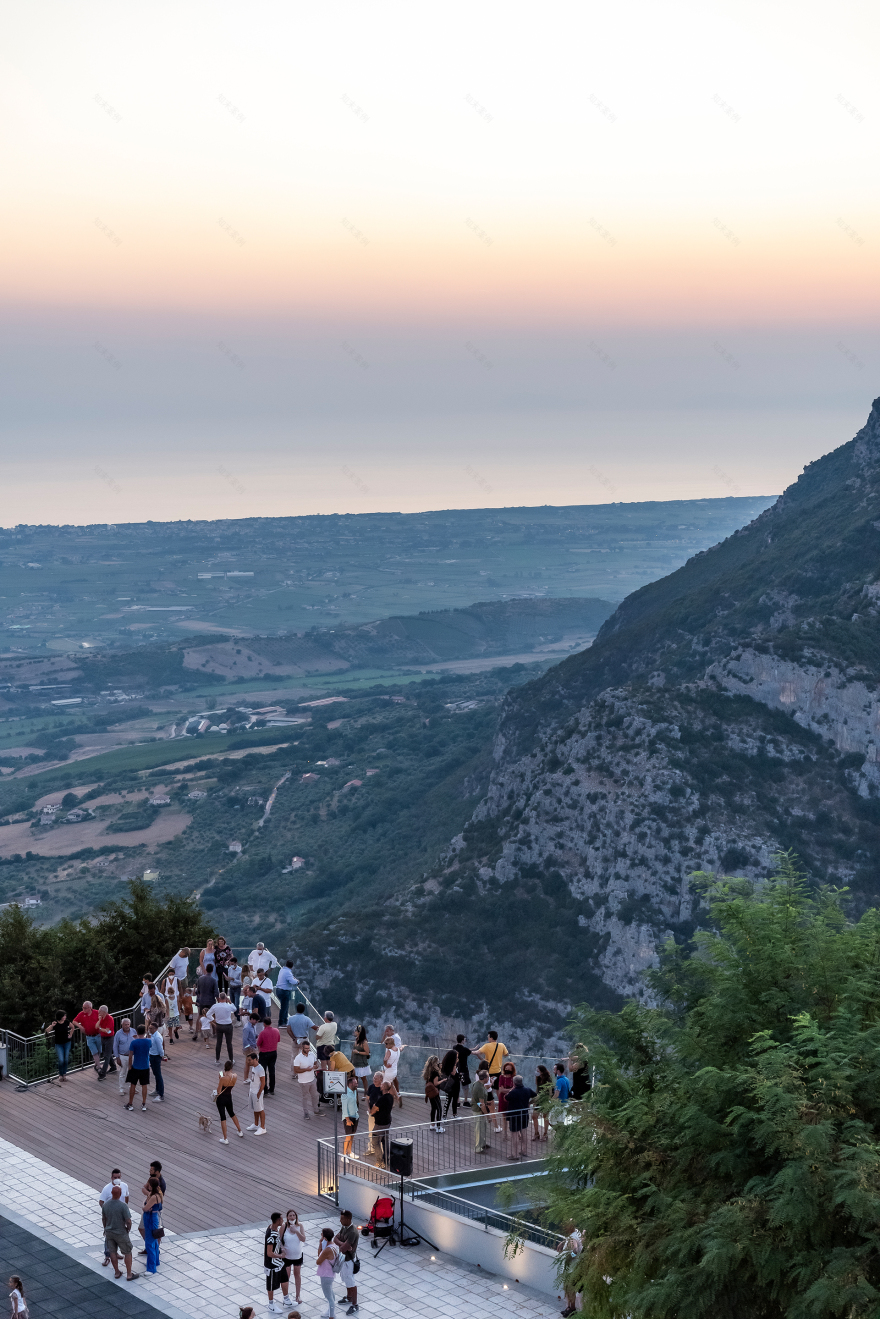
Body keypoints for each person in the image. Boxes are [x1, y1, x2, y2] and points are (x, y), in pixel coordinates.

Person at [102, 1185, 137, 1281]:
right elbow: (128, 1220)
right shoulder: (123, 1206)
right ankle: (129, 1274)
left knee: (112, 1252)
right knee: (127, 1252)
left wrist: (105, 1229)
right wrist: (128, 1229)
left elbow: (104, 1219)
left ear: (111, 1193)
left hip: (109, 1232)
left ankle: (117, 1272)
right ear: (120, 1194)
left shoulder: (105, 1205)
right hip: (121, 1232)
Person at [98, 1171, 129, 1269]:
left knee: (119, 1235)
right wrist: (107, 1211)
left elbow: (126, 1198)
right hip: (110, 1217)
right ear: (111, 1177)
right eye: (115, 1177)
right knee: (109, 1236)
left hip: (121, 1216)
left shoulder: (124, 1186)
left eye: (118, 1177)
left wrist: (125, 1209)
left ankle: (115, 1253)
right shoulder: (107, 1189)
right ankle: (107, 1256)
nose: (117, 1179)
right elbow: (101, 1201)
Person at [504, 1073, 536, 1160]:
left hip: (514, 1116)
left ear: (514, 1083)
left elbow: (506, 1098)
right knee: (524, 1132)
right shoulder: (528, 1090)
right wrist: (530, 1102)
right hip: (524, 1114)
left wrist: (511, 1090)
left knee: (514, 1135)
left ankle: (515, 1154)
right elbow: (537, 1096)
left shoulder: (513, 1092)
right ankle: (524, 1150)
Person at [333, 1210, 359, 1315]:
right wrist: (343, 1243)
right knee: (346, 1279)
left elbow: (343, 1248)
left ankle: (354, 1305)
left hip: (349, 1261)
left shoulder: (352, 1231)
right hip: (344, 1259)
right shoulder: (345, 1227)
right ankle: (349, 1298)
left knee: (351, 1282)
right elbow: (335, 1238)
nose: (340, 1220)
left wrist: (342, 1245)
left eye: (342, 1219)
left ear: (348, 1219)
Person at [264, 1212, 291, 1313]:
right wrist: (281, 1255)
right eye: (281, 1219)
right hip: (272, 1265)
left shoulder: (273, 1229)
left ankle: (287, 1299)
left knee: (285, 1279)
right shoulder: (271, 1235)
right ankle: (271, 1304)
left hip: (280, 1263)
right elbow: (269, 1253)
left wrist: (282, 1249)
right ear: (278, 1220)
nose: (283, 1220)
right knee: (271, 1285)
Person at [558, 1220, 583, 1317]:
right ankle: (570, 1308)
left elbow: (575, 1250)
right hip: (576, 1267)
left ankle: (571, 1309)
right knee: (569, 1288)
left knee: (569, 1288)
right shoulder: (577, 1233)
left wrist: (569, 1257)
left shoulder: (573, 1237)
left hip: (571, 1267)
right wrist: (563, 1242)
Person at [215, 1059, 244, 1141]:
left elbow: (218, 1091)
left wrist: (220, 1078)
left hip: (221, 1098)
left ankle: (225, 1138)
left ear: (224, 1068)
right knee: (232, 1113)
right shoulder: (235, 1076)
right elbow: (230, 1077)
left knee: (223, 1117)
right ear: (231, 1068)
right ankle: (240, 1130)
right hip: (229, 1097)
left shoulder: (222, 1079)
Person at [280, 1210, 305, 1305]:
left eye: (294, 1215)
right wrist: (282, 1249)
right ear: (287, 1217)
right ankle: (286, 1296)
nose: (292, 1217)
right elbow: (279, 1239)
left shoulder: (300, 1226)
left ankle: (297, 1295)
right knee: (286, 1276)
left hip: (297, 1255)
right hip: (287, 1256)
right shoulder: (284, 1227)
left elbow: (303, 1239)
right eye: (290, 1215)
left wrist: (296, 1231)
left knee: (297, 1274)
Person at [125, 1025, 152, 1111]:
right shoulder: (148, 1041)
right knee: (144, 1085)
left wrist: (130, 1065)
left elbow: (130, 1055)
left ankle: (130, 1103)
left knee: (133, 1084)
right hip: (145, 1066)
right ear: (144, 1032)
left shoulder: (134, 1042)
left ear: (137, 1032)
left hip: (136, 1066)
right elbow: (150, 1046)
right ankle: (143, 1104)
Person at [292, 1040, 321, 1118]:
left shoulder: (312, 1054)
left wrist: (316, 1066)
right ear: (302, 1048)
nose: (308, 1050)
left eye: (309, 1048)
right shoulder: (298, 1058)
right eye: (306, 1048)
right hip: (303, 1081)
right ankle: (306, 1113)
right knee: (305, 1097)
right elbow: (296, 1070)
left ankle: (316, 1110)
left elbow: (316, 1063)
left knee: (315, 1095)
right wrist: (306, 1069)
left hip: (312, 1079)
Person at [71, 1000, 102, 1072]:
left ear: (90, 1008)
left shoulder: (97, 1012)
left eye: (85, 1008)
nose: (83, 1009)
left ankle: (96, 1064)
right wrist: (80, 1026)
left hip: (98, 1035)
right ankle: (99, 1067)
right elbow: (74, 1021)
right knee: (94, 1052)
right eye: (83, 1007)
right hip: (89, 1036)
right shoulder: (81, 1014)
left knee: (99, 1050)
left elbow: (104, 1018)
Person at [315, 1228, 339, 1318]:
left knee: (329, 1297)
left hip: (326, 1275)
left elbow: (318, 1261)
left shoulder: (327, 1250)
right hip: (330, 1273)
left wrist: (321, 1245)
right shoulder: (333, 1245)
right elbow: (320, 1255)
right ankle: (330, 1311)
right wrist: (320, 1244)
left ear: (324, 1237)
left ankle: (331, 1316)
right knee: (331, 1293)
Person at [370, 1081, 395, 1168]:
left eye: (382, 1085)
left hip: (380, 1123)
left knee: (375, 1142)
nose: (380, 1085)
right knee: (385, 1141)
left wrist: (373, 1108)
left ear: (384, 1087)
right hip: (387, 1122)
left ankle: (379, 1161)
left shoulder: (382, 1099)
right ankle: (386, 1159)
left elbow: (373, 1110)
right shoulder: (391, 1097)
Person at [141, 1176, 163, 1274]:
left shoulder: (153, 1196)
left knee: (149, 1242)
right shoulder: (157, 1194)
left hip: (150, 1218)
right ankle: (155, 1261)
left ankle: (151, 1268)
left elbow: (145, 1208)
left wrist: (143, 1206)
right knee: (153, 1241)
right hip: (153, 1217)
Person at [207, 992, 236, 1062]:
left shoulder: (215, 1006)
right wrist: (230, 1002)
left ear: (219, 998)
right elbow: (235, 1009)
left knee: (218, 1042)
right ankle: (231, 1059)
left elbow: (208, 1014)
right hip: (228, 1025)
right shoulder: (229, 1006)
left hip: (219, 1025)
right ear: (226, 998)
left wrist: (213, 1020)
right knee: (229, 1043)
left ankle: (217, 1059)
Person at [245, 1049, 267, 1134]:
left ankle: (263, 1127)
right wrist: (250, 1090)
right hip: (252, 1091)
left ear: (255, 1059)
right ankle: (256, 1124)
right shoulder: (254, 1068)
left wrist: (259, 1093)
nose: (248, 1062)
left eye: (250, 1060)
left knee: (260, 1109)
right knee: (255, 1108)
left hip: (257, 1093)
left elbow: (263, 1082)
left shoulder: (260, 1069)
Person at [45, 1010, 71, 1082]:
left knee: (66, 1059)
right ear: (60, 1016)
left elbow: (73, 1027)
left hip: (67, 1043)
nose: (65, 1017)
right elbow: (47, 1031)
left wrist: (71, 1034)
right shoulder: (55, 1023)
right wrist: (52, 1025)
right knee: (61, 1060)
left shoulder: (66, 1022)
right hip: (58, 1044)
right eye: (64, 1016)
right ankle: (60, 1074)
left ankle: (64, 1074)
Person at [258, 1017, 281, 1096]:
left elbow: (258, 1043)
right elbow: (278, 1040)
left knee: (263, 1072)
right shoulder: (276, 1031)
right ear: (271, 1023)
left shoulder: (262, 1033)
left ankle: (264, 1089)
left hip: (264, 1053)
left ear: (264, 1024)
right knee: (272, 1070)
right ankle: (272, 1089)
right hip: (273, 1052)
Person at [112, 1018, 136, 1093]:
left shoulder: (133, 1031)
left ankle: (132, 1087)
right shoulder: (118, 1033)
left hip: (133, 1056)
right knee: (123, 1072)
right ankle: (121, 1089)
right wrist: (117, 1057)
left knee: (133, 1072)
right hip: (123, 1056)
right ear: (122, 1025)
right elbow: (115, 1046)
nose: (127, 1026)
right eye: (125, 1024)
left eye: (128, 1024)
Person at [471, 1067, 491, 1151]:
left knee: (482, 1127)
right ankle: (478, 1147)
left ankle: (482, 1144)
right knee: (479, 1129)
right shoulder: (480, 1088)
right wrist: (488, 1115)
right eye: (488, 1077)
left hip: (478, 1109)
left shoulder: (477, 1084)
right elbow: (481, 1104)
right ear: (485, 1078)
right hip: (479, 1111)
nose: (489, 1078)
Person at [423, 1055, 443, 1133]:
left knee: (433, 1108)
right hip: (435, 1092)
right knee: (439, 1108)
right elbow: (436, 1083)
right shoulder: (435, 1073)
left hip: (430, 1092)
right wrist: (443, 1080)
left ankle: (432, 1124)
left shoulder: (428, 1072)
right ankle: (438, 1127)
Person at [534, 1065, 554, 1141]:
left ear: (542, 1071)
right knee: (534, 1116)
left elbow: (550, 1092)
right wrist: (535, 1099)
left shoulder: (548, 1079)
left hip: (545, 1100)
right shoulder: (538, 1078)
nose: (536, 1072)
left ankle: (545, 1134)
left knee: (545, 1116)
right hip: (538, 1099)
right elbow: (537, 1089)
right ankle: (536, 1133)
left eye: (538, 1071)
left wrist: (549, 1101)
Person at [365, 1071, 384, 1155]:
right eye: (374, 1078)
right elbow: (367, 1098)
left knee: (381, 1133)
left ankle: (381, 1150)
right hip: (371, 1114)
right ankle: (371, 1148)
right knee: (371, 1131)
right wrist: (368, 1108)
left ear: (381, 1079)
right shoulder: (371, 1087)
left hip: (380, 1115)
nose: (374, 1080)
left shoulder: (383, 1088)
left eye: (376, 1079)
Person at [351, 1025, 371, 1100]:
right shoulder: (356, 1040)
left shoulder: (364, 1042)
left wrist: (358, 1052)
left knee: (363, 1079)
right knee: (354, 1079)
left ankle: (366, 1093)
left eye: (356, 1031)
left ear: (359, 1032)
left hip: (361, 1064)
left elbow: (367, 1053)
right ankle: (354, 1094)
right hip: (355, 1063)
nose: (354, 1032)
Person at [275, 961, 298, 1027]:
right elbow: (292, 981)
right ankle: (281, 1022)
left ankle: (285, 1020)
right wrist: (297, 981)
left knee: (285, 1006)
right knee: (284, 1007)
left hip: (278, 989)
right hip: (284, 991)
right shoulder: (288, 972)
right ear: (292, 966)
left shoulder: (282, 970)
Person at [341, 1073, 360, 1155]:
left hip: (355, 1116)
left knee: (352, 1135)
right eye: (356, 1083)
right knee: (348, 1136)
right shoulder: (345, 1094)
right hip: (348, 1118)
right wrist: (348, 1120)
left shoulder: (354, 1091)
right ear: (351, 1084)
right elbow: (344, 1109)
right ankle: (344, 1154)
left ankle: (350, 1151)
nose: (357, 1085)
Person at [381, 1033, 401, 1108]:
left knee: (385, 1087)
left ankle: (389, 1102)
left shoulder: (389, 1051)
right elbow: (401, 1048)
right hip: (394, 1071)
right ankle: (397, 1096)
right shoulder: (397, 1049)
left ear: (389, 1044)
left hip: (388, 1072)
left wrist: (386, 1065)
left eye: (386, 1044)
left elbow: (385, 1059)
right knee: (391, 1084)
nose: (385, 1045)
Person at [440, 1048, 461, 1119]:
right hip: (450, 1084)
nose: (457, 1058)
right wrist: (455, 1064)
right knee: (448, 1100)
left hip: (456, 1083)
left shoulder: (455, 1063)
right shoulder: (449, 1065)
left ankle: (454, 1114)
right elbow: (453, 1073)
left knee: (455, 1099)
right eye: (456, 1057)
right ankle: (444, 1116)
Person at [148, 1024, 165, 1102]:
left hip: (156, 1057)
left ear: (156, 1029)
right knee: (155, 1074)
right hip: (152, 1055)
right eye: (149, 1028)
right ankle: (157, 1090)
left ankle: (161, 1095)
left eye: (151, 1028)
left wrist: (162, 1056)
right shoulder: (152, 1035)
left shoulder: (157, 1037)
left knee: (158, 1075)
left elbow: (160, 1048)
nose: (150, 1029)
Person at [454, 1034, 473, 1105]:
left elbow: (467, 1050)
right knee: (465, 1086)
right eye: (464, 1039)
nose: (465, 1040)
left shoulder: (454, 1047)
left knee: (457, 1086)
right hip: (464, 1070)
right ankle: (465, 1101)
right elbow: (471, 1052)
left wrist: (472, 1049)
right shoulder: (465, 1050)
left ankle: (457, 1101)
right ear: (462, 1041)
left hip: (456, 1069)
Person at [163, 974, 180, 1042]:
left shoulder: (176, 997)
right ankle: (171, 1038)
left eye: (172, 992)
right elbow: (166, 1007)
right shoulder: (167, 999)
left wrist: (179, 1011)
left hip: (176, 1013)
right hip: (170, 1013)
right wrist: (167, 1014)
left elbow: (178, 1004)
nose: (171, 993)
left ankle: (175, 1031)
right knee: (170, 1027)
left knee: (177, 1025)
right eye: (169, 992)